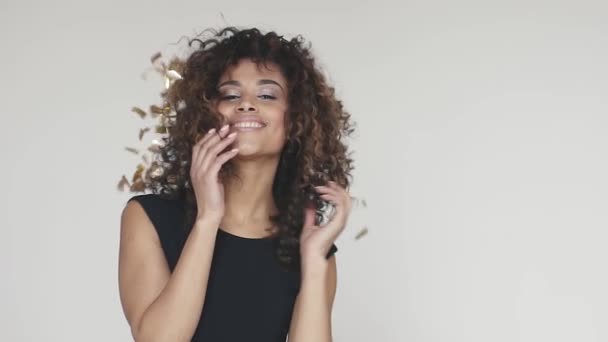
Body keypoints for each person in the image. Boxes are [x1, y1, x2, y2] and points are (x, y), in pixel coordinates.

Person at [118, 27, 355, 342]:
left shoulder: (311, 246)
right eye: (230, 94)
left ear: (297, 118)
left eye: (267, 95)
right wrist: (208, 218)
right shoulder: (148, 217)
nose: (246, 104)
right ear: (207, 113)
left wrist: (313, 263)